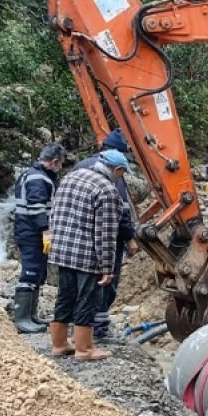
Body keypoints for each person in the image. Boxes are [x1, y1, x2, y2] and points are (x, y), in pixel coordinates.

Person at [47, 149, 126, 361]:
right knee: (86, 300)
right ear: (117, 169)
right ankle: (84, 349)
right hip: (86, 254)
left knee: (65, 296)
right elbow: (106, 234)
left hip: (62, 250)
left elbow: (53, 213)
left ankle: (59, 344)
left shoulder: (71, 177)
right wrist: (107, 268)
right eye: (122, 173)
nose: (121, 178)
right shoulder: (107, 190)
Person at [74, 129, 137, 340]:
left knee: (81, 284)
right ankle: (98, 329)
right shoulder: (112, 175)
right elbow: (122, 211)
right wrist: (129, 237)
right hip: (107, 237)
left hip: (78, 237)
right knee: (105, 282)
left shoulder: (79, 167)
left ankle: (79, 327)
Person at [11, 143, 67, 334]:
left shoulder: (33, 174)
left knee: (39, 270)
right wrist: (46, 231)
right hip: (33, 232)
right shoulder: (38, 178)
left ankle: (31, 315)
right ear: (54, 162)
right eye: (60, 164)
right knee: (32, 271)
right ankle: (22, 318)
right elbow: (36, 207)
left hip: (31, 230)